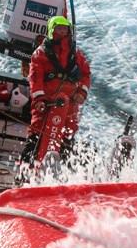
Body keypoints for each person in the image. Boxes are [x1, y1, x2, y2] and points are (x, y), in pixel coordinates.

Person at [22, 15, 91, 163]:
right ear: (52, 30)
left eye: (65, 29)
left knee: (68, 135)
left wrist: (82, 92)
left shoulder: (77, 54)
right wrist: (39, 99)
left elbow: (86, 74)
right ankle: (25, 171)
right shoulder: (41, 54)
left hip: (70, 104)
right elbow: (35, 78)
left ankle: (65, 172)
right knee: (36, 133)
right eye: (59, 29)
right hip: (46, 103)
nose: (62, 32)